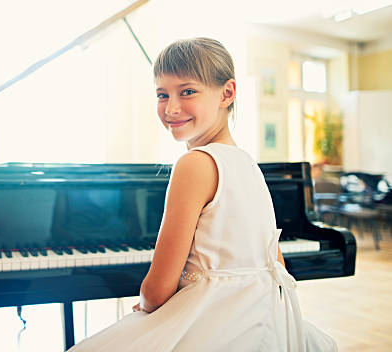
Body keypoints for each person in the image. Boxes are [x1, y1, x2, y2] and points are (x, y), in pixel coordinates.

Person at [69, 38, 337, 351]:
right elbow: (275, 262)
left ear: (227, 93)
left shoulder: (194, 164)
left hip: (213, 325)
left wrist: (146, 307)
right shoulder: (250, 165)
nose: (171, 107)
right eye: (162, 94)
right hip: (263, 321)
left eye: (187, 91)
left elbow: (157, 289)